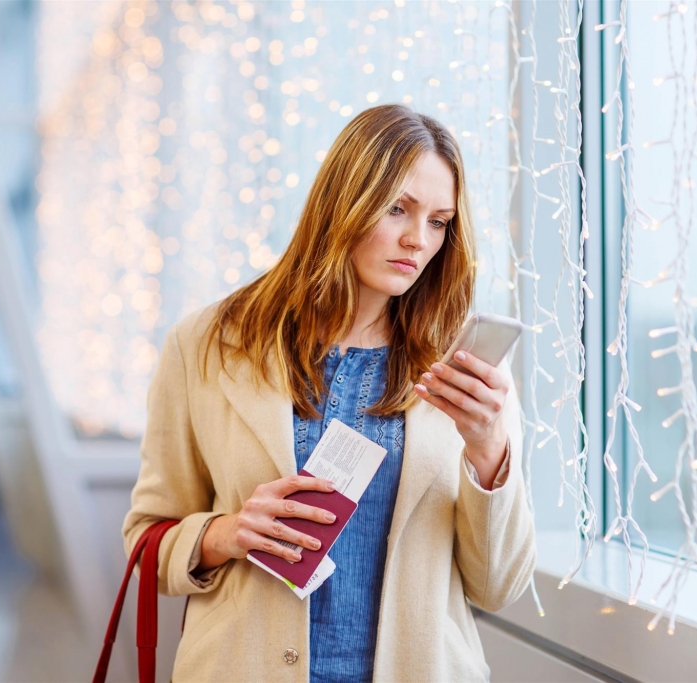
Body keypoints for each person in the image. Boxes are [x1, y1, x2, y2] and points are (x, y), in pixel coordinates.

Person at [122, 104, 536, 683]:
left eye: (439, 222)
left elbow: (500, 585)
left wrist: (488, 450)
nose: (418, 240)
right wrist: (228, 532)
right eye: (398, 209)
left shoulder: (463, 371)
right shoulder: (208, 344)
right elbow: (147, 541)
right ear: (344, 200)